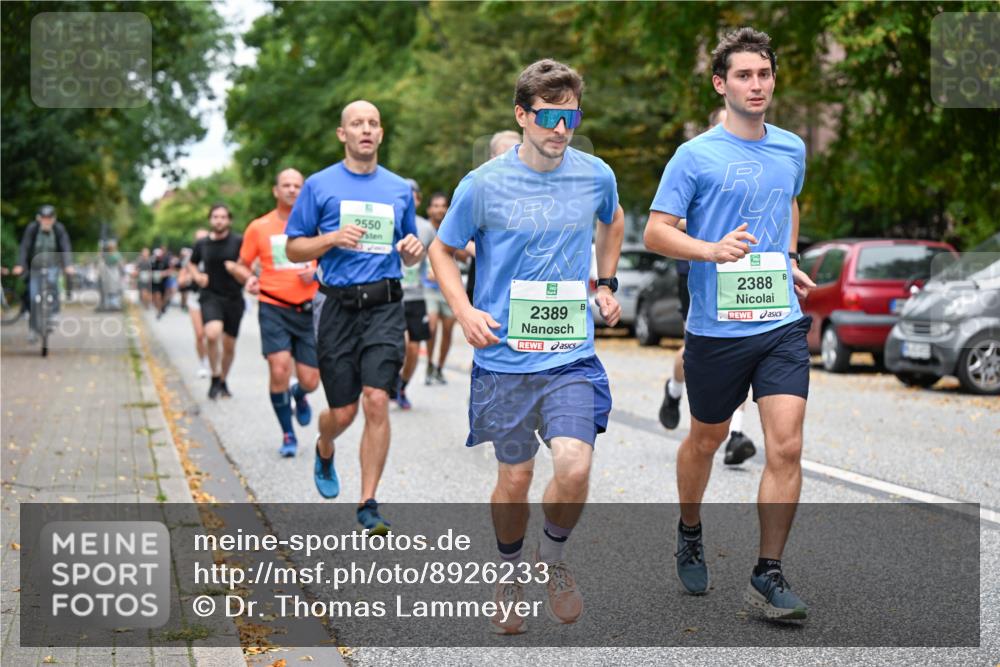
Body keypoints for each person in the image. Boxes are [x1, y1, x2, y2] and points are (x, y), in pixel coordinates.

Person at [429, 59, 624, 634]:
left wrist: (606, 283)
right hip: (504, 360)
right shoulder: (483, 184)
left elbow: (612, 223)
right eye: (548, 117)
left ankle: (554, 559)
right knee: (514, 480)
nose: (560, 129)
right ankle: (509, 570)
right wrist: (462, 310)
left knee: (575, 463)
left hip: (570, 355)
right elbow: (443, 250)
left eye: (571, 117)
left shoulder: (595, 175)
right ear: (521, 116)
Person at [643, 27, 816, 619]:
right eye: (744, 75)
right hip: (716, 328)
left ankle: (768, 571)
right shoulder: (695, 156)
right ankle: (689, 527)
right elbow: (656, 230)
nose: (757, 84)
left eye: (764, 74)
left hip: (780, 321)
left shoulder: (792, 147)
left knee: (786, 445)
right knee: (707, 439)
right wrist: (710, 249)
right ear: (721, 84)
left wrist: (788, 259)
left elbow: (788, 200)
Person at [285, 100, 424, 534]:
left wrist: (411, 250)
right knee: (342, 414)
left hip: (384, 304)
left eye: (373, 123)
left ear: (381, 134)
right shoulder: (319, 185)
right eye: (356, 124)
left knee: (377, 399)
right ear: (342, 134)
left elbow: (410, 246)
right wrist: (330, 238)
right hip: (338, 307)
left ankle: (368, 503)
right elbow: (293, 248)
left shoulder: (399, 188)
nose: (365, 129)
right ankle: (325, 445)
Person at [659, 107, 756, 466]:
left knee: (743, 346)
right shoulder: (695, 158)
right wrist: (707, 234)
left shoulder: (755, 162)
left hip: (741, 272)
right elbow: (666, 220)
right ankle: (674, 390)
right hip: (696, 270)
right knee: (692, 349)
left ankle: (736, 434)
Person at [230, 168, 321, 457]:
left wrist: (316, 270)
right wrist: (248, 279)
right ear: (276, 190)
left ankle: (299, 395)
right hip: (273, 307)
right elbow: (241, 264)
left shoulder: (316, 225)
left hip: (308, 310)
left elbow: (333, 260)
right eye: (286, 185)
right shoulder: (259, 227)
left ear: (303, 190)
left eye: (297, 185)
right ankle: (287, 433)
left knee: (311, 381)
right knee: (279, 369)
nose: (292, 189)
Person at [187, 204, 245, 399]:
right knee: (212, 334)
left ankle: (223, 380)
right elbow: (192, 263)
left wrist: (237, 268)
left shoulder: (238, 241)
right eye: (215, 216)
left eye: (223, 217)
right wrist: (197, 276)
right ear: (210, 219)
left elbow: (250, 263)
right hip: (210, 295)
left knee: (229, 346)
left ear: (229, 220)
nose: (219, 220)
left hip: (234, 298)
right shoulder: (202, 244)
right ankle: (214, 375)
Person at [463, 131, 521, 309]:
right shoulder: (478, 189)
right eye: (505, 154)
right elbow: (453, 238)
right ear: (492, 157)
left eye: (517, 152)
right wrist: (487, 250)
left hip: (523, 288)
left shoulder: (533, 191)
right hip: (486, 284)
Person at [395, 179, 435, 410]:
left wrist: (433, 269)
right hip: (392, 295)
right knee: (399, 345)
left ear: (418, 200)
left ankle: (402, 386)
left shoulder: (426, 228)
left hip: (416, 295)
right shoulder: (390, 220)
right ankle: (388, 381)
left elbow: (436, 255)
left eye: (413, 196)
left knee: (412, 348)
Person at [14, 204, 74, 343]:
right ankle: (33, 330)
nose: (46, 221)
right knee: (33, 295)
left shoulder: (59, 229)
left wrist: (68, 265)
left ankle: (53, 314)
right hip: (34, 267)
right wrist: (20, 265)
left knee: (53, 284)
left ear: (54, 219)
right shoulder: (32, 228)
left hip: (52, 265)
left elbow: (65, 247)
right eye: (44, 218)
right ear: (38, 218)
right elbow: (24, 246)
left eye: (49, 218)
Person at [421, 192, 456, 385]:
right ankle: (428, 364)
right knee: (431, 326)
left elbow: (463, 255)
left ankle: (440, 368)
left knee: (448, 330)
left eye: (442, 205)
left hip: (449, 288)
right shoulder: (424, 229)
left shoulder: (453, 228)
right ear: (429, 209)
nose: (439, 209)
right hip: (428, 287)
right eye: (435, 205)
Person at [180, 230, 210, 379]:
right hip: (195, 297)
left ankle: (214, 362)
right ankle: (203, 364)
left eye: (204, 238)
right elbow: (181, 279)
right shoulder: (190, 259)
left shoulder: (215, 254)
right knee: (200, 335)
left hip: (213, 298)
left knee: (212, 334)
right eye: (199, 239)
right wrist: (192, 277)